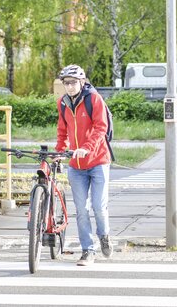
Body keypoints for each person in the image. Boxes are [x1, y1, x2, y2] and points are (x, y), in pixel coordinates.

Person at [55, 64, 113, 266]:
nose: (69, 87)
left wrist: (87, 147)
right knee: (81, 209)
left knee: (98, 207)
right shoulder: (62, 103)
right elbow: (62, 131)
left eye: (73, 82)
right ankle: (88, 251)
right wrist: (59, 150)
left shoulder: (94, 99)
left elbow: (100, 128)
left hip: (98, 161)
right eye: (66, 83)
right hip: (76, 166)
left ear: (82, 82)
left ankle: (104, 235)